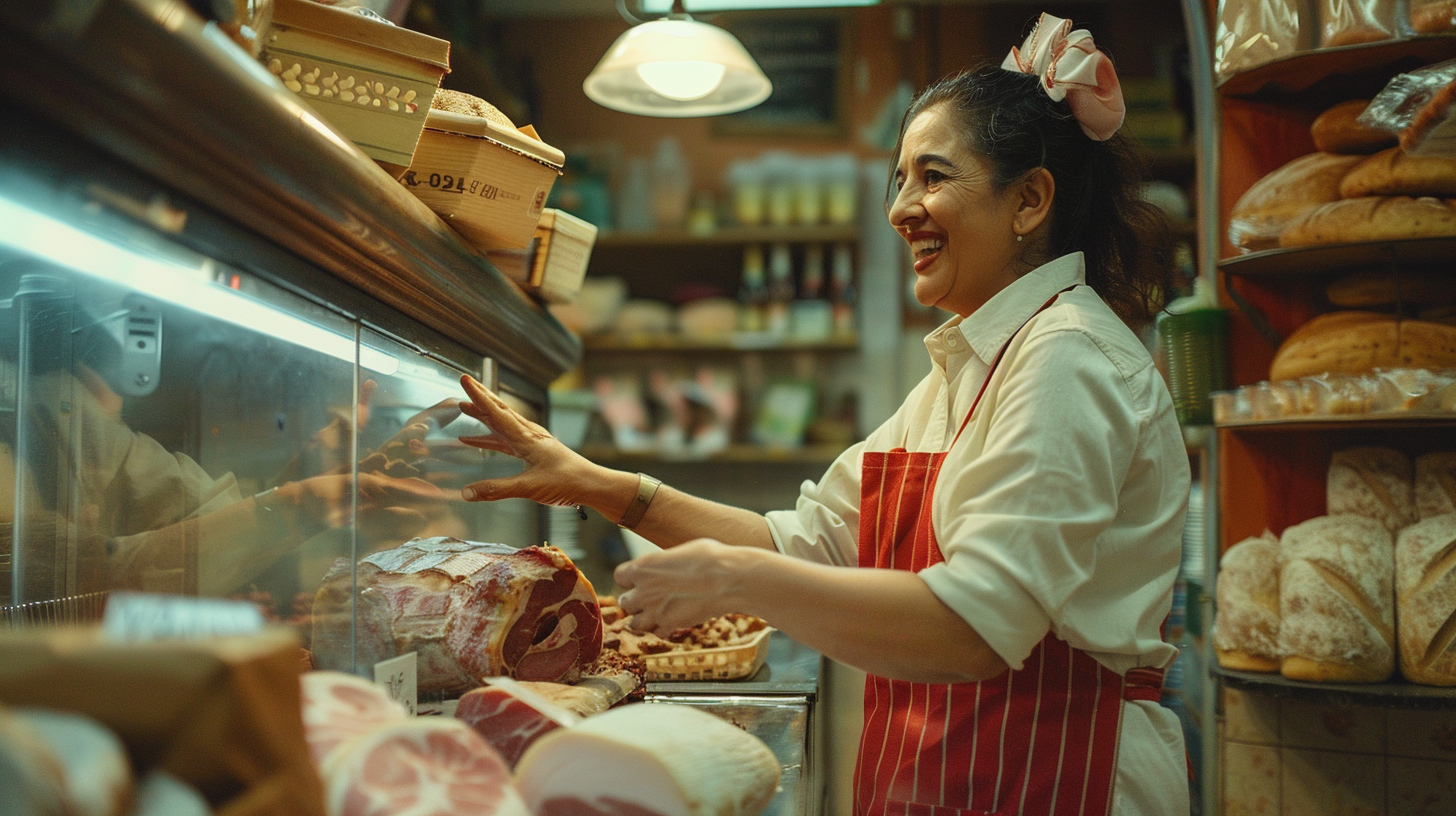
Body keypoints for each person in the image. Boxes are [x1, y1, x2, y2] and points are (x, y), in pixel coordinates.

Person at [455, 13, 1189, 815]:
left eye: (934, 177)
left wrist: (739, 580)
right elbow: (806, 539)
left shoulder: (1067, 360)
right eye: (900, 180)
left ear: (1030, 201)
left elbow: (975, 629)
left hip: (1058, 780)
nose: (901, 208)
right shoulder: (967, 370)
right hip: (963, 775)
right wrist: (598, 485)